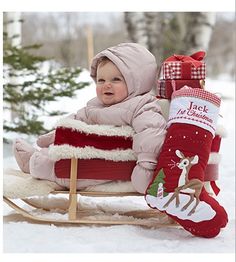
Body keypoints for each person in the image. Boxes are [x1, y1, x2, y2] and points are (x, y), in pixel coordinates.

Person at [13, 43, 167, 194]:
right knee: (65, 151)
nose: (106, 85)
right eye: (101, 80)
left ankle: (37, 165)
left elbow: (151, 133)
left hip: (117, 166)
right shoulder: (96, 105)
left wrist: (147, 165)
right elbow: (77, 120)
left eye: (115, 80)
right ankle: (40, 157)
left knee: (71, 170)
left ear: (137, 83)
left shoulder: (142, 106)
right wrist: (56, 134)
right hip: (96, 154)